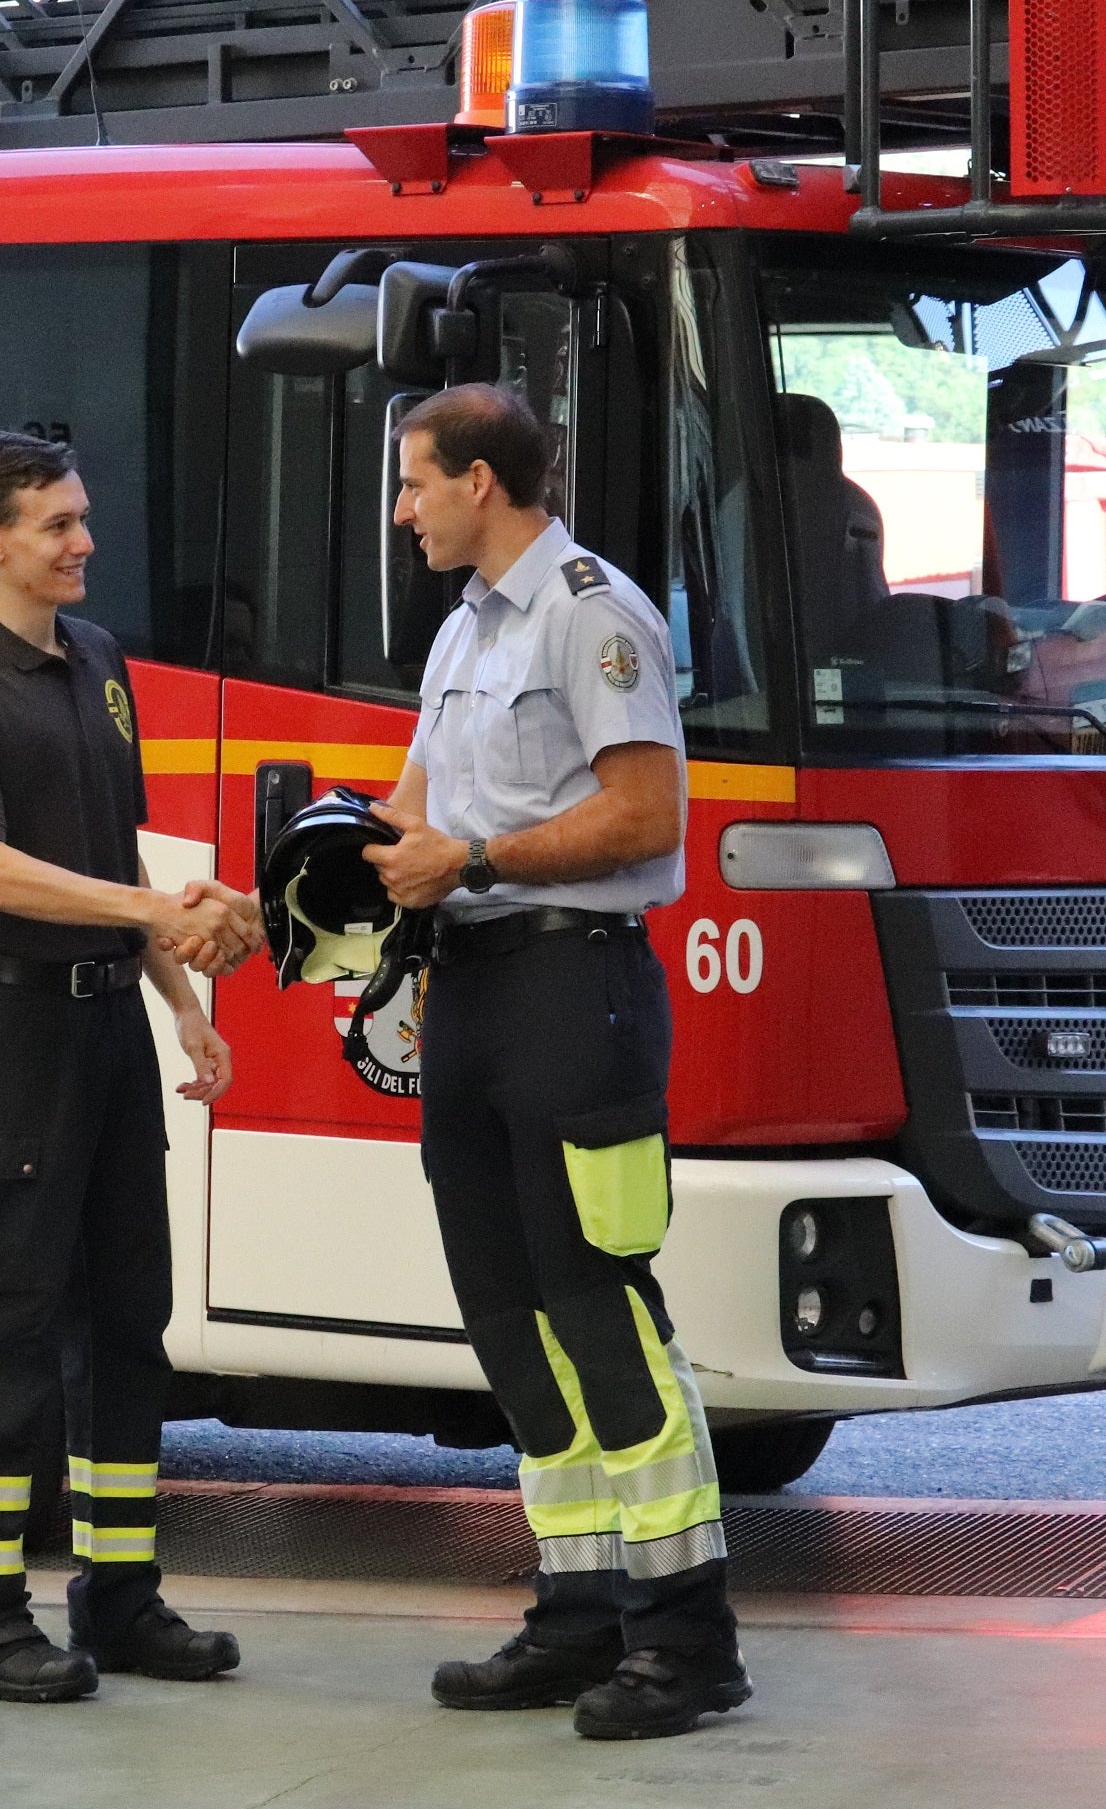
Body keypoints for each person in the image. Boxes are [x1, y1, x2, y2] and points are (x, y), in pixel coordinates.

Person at [360, 381, 749, 1742]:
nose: (403, 509)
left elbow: (649, 814)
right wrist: (299, 888)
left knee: (601, 1306)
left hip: (573, 991)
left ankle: (689, 1640)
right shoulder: (465, 629)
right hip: (473, 995)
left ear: (483, 483)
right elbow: (417, 806)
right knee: (511, 1316)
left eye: (416, 482)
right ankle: (577, 1615)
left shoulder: (594, 613)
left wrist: (468, 857)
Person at [0, 429, 266, 1703]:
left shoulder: (100, 661)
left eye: (82, 517)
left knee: (126, 1321)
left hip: (107, 1026)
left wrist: (179, 1000)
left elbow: (116, 855)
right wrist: (150, 915)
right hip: (11, 1037)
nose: (82, 541)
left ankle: (119, 1595)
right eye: (56, 524)